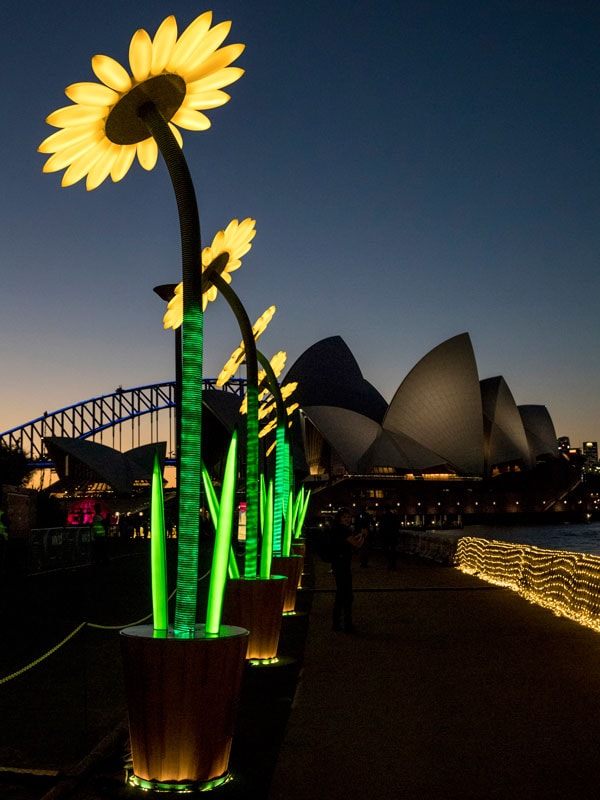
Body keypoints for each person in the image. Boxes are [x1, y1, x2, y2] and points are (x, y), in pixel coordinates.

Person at [330, 507, 364, 633]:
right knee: (346, 595)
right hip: (342, 565)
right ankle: (347, 624)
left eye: (348, 517)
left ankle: (337, 623)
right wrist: (363, 536)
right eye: (344, 517)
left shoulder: (335, 530)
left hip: (337, 564)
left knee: (340, 594)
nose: (347, 519)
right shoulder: (343, 530)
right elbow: (357, 544)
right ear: (340, 519)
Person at [380, 505, 399, 569]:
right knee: (393, 550)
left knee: (386, 550)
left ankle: (390, 562)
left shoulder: (383, 517)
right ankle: (393, 563)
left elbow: (381, 527)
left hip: (386, 536)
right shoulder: (394, 516)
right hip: (393, 536)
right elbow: (398, 526)